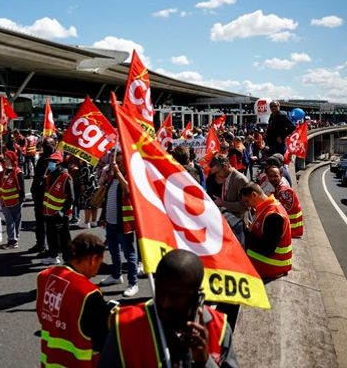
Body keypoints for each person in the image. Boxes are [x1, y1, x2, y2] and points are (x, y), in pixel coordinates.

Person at [100, 249, 238, 368]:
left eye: (175, 296)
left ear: (197, 295)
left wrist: (205, 361)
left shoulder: (219, 329)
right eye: (160, 291)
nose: (165, 303)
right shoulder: (125, 326)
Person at [36, 233, 110, 367]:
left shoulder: (44, 277)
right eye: (100, 262)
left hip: (49, 360)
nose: (98, 270)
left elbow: (43, 316)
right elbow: (101, 339)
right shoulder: (89, 293)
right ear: (93, 259)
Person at [98, 150, 139, 297]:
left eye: (120, 162)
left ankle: (133, 283)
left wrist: (118, 173)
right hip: (111, 221)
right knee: (114, 251)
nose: (116, 164)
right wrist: (103, 217)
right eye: (115, 162)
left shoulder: (128, 176)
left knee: (129, 254)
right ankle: (116, 275)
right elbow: (107, 198)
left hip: (124, 223)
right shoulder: (111, 177)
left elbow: (128, 189)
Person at [240, 183, 292, 280]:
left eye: (247, 201)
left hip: (270, 267)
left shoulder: (273, 215)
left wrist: (246, 232)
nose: (247, 205)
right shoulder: (266, 207)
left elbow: (266, 249)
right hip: (267, 264)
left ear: (254, 195)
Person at [41, 151, 74, 265]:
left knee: (64, 237)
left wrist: (62, 211)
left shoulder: (66, 177)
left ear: (59, 163)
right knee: (51, 236)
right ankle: (53, 256)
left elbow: (71, 197)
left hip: (60, 213)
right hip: (49, 212)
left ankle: (68, 259)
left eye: (53, 161)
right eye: (50, 161)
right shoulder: (49, 175)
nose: (50, 163)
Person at [29, 136, 56, 254]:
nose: (46, 148)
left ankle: (53, 248)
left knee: (50, 223)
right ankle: (40, 244)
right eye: (45, 146)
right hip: (38, 194)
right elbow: (37, 175)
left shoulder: (55, 160)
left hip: (49, 196)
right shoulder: (42, 159)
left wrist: (47, 178)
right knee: (39, 221)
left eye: (48, 145)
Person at [208, 155, 249, 220]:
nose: (216, 176)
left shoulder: (240, 180)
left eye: (217, 173)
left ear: (225, 166)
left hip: (237, 222)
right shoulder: (225, 177)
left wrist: (222, 203)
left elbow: (245, 206)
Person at [266, 166, 304, 238]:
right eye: (270, 176)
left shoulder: (284, 191)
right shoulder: (278, 188)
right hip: (288, 229)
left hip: (290, 230)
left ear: (281, 176)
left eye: (276, 176)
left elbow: (280, 212)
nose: (273, 178)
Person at [0, 150, 24, 249]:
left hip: (15, 201)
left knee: (15, 221)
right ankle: (12, 239)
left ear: (12, 159)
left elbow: (21, 188)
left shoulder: (18, 172)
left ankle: (13, 240)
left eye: (7, 159)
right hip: (4, 201)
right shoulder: (5, 170)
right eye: (5, 158)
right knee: (9, 221)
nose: (5, 160)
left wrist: (21, 200)